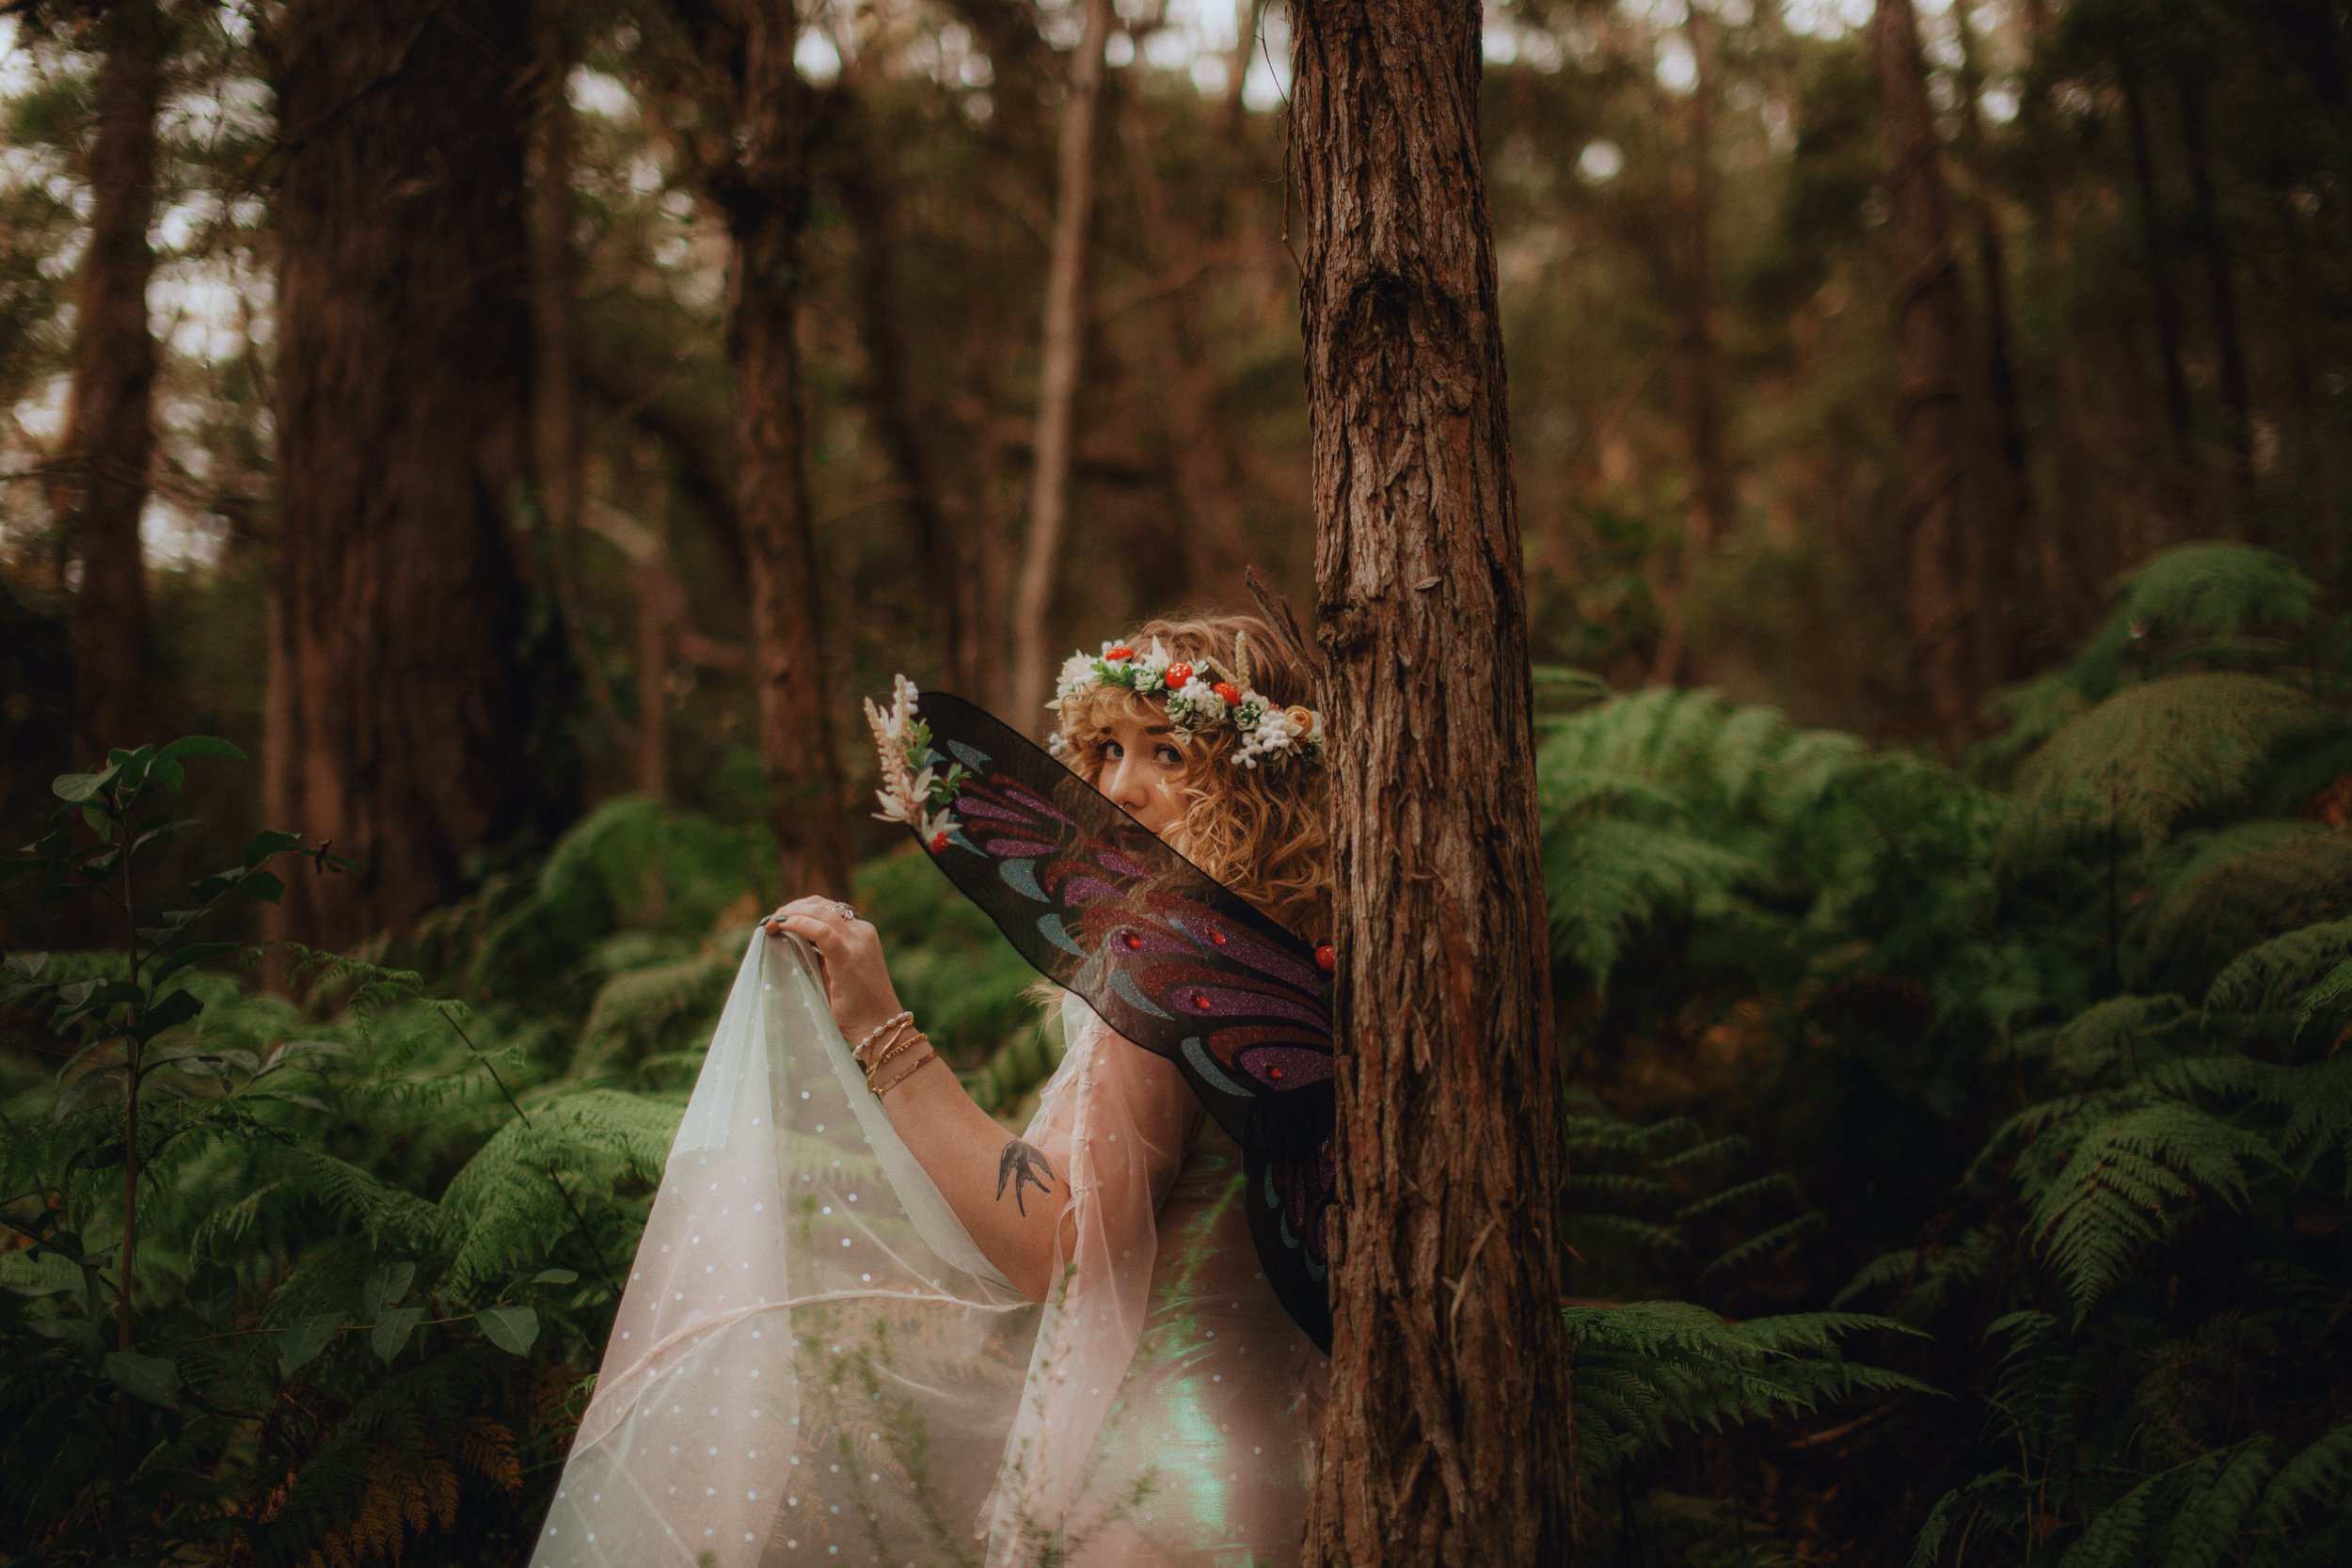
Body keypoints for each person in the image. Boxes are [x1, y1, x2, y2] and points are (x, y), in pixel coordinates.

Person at [530, 613, 1331, 1568]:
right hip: (1295, 1457)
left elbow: (1055, 1249)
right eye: (1106, 750)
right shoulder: (1334, 955)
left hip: (1147, 1483)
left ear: (1259, 767)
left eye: (1167, 751)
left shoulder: (1165, 973)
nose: (1119, 787)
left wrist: (883, 1033)